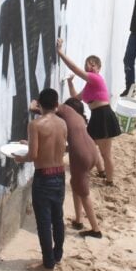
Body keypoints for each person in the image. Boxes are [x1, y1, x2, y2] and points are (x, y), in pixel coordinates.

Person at [13, 88, 67, 270]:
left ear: (39, 105)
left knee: (44, 221)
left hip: (44, 177)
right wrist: (31, 146)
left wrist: (21, 157)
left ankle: (48, 261)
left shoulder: (35, 125)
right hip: (59, 174)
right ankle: (57, 254)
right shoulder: (62, 124)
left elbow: (33, 156)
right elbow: (55, 146)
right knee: (57, 217)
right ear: (56, 105)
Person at [57, 39, 121, 186]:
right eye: (88, 63)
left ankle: (109, 181)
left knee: (106, 153)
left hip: (104, 115)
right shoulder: (89, 86)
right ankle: (101, 171)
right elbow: (76, 98)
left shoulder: (95, 78)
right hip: (97, 117)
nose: (90, 66)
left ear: (98, 68)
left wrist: (60, 52)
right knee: (90, 146)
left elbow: (74, 68)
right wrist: (70, 83)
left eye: (93, 64)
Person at [57, 98, 103, 238]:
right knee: (76, 184)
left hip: (81, 157)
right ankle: (78, 220)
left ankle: (96, 229)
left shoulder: (64, 114)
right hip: (93, 152)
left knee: (84, 193)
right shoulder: (79, 120)